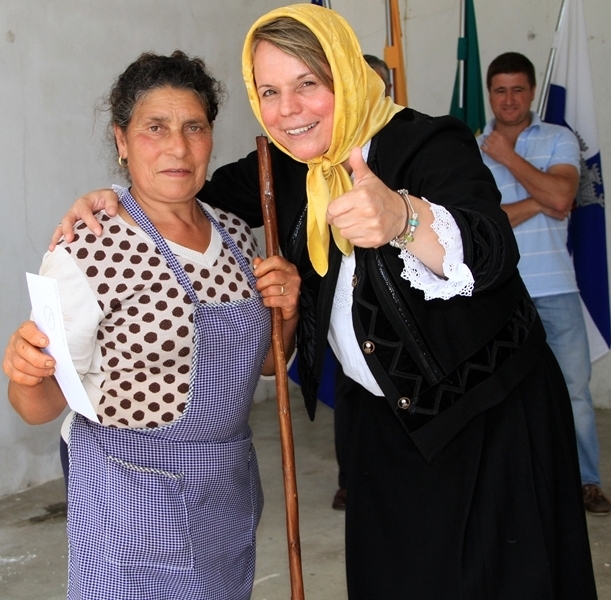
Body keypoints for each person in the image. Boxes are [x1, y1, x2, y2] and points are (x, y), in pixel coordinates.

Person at [50, 5, 597, 598]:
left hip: (489, 418)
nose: (288, 109)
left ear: (346, 75)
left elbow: (490, 249)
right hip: (382, 425)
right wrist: (111, 198)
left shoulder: (427, 142)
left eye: (308, 83)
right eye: (270, 92)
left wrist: (404, 217)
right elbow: (181, 185)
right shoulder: (284, 164)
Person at [3, 50, 300, 600]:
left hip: (225, 494)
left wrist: (288, 310)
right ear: (121, 140)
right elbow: (40, 407)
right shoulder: (89, 247)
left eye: (194, 127)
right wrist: (25, 374)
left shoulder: (238, 237)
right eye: (154, 128)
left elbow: (265, 365)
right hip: (129, 504)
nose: (177, 147)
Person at [477, 51, 610, 516]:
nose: (509, 99)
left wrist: (508, 157)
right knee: (500, 396)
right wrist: (544, 200)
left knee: (573, 391)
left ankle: (585, 483)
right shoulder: (470, 149)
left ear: (532, 91)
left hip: (557, 288)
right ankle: (514, 488)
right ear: (489, 94)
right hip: (498, 291)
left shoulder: (558, 137)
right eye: (500, 90)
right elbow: (482, 224)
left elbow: (564, 194)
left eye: (518, 89)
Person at [331, 53, 393, 511]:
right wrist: (124, 197)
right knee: (352, 400)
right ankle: (350, 479)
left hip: (401, 324)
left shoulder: (413, 145)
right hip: (345, 320)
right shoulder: (310, 153)